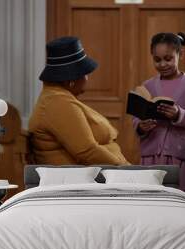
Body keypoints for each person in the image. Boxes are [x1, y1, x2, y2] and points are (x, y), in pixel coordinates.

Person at [29, 36, 129, 165]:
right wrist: (127, 171)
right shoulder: (57, 103)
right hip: (88, 181)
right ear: (71, 80)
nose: (87, 78)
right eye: (85, 73)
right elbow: (87, 152)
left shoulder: (58, 97)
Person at [133, 32, 185, 193]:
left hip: (179, 158)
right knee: (150, 200)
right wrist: (141, 126)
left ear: (180, 54)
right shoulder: (148, 86)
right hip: (150, 158)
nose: (163, 64)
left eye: (168, 58)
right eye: (157, 60)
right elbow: (136, 118)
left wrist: (178, 114)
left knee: (179, 201)